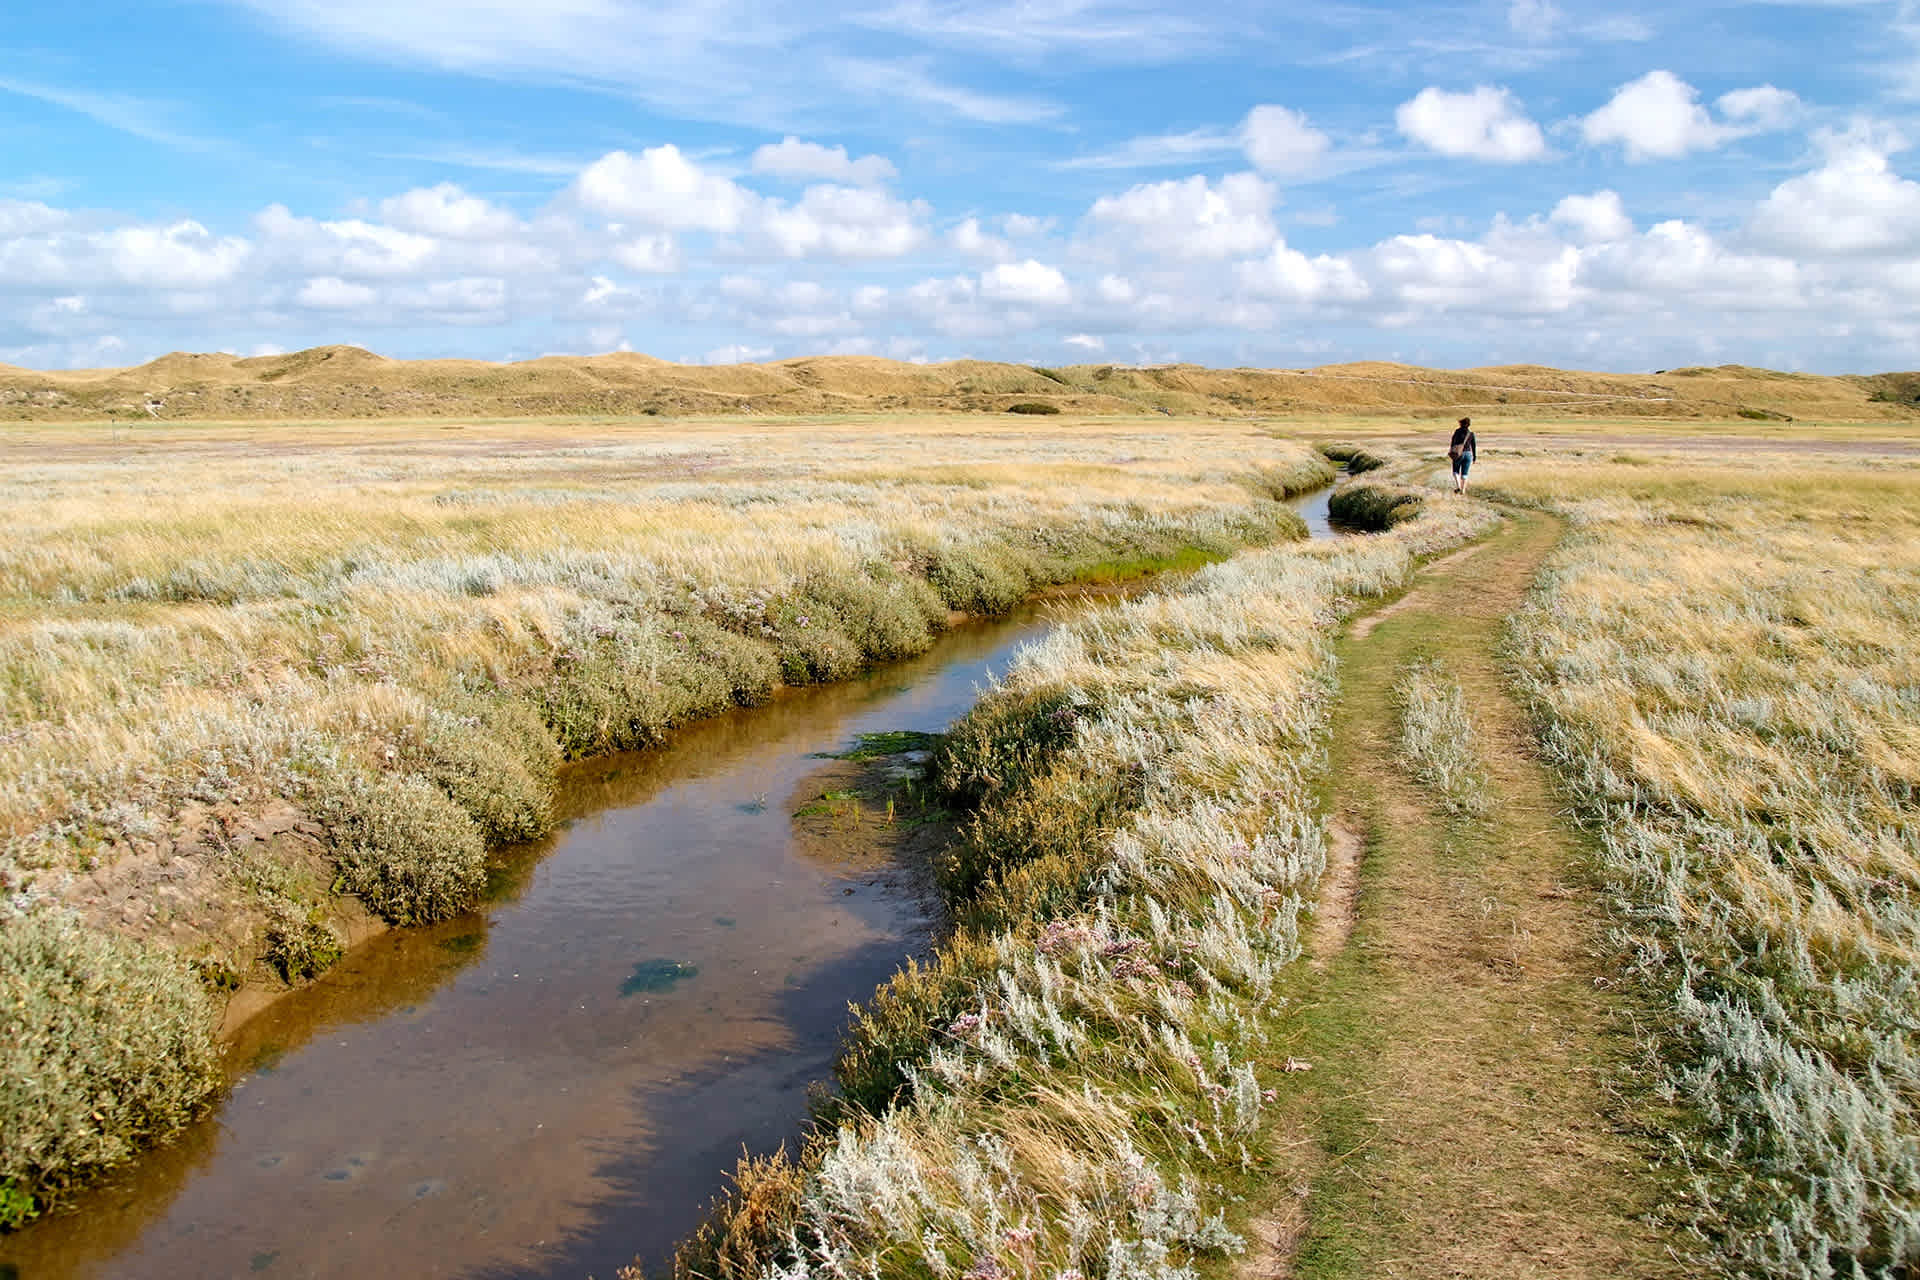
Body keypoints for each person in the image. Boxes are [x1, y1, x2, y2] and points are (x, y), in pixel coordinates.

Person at [1448, 417, 1477, 495]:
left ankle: (1459, 487)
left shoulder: (1457, 432)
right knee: (1465, 474)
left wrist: (1452, 450)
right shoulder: (1471, 434)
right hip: (1468, 454)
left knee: (1455, 471)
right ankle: (1463, 490)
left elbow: (1453, 441)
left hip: (1458, 454)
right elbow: (1473, 446)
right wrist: (1474, 457)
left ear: (1461, 423)